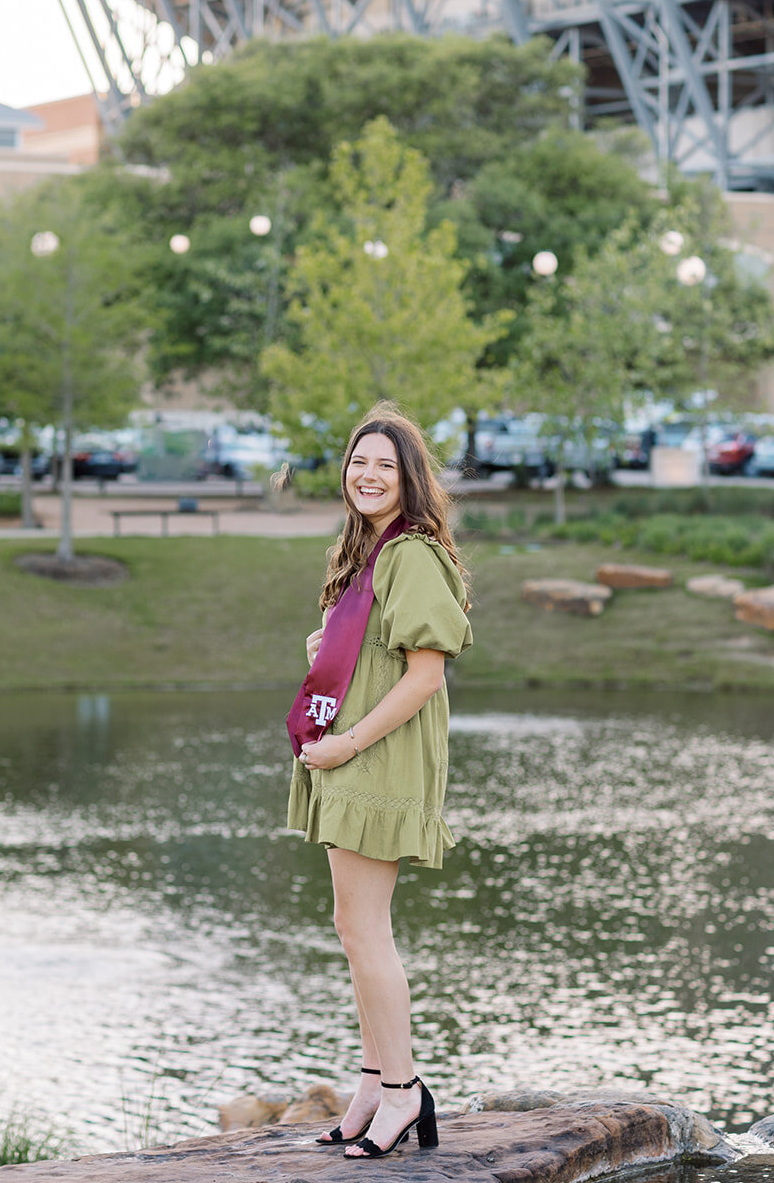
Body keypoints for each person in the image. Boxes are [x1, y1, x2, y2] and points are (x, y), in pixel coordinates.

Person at [287, 403, 472, 1160]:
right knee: (351, 929)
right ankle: (372, 1083)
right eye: (358, 462)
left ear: (410, 479)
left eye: (384, 466)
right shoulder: (365, 554)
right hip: (353, 752)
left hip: (378, 754)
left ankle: (403, 1091)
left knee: (368, 932)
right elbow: (375, 657)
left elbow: (425, 675)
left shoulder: (412, 555)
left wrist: (346, 744)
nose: (367, 475)